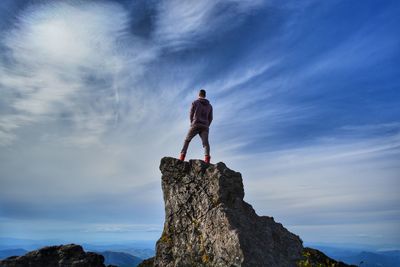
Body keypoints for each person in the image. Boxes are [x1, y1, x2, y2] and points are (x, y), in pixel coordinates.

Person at [179, 89, 213, 163]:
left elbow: (191, 113)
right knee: (205, 143)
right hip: (205, 127)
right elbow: (211, 118)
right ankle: (207, 160)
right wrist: (207, 125)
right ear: (205, 95)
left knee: (187, 140)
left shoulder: (195, 102)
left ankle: (182, 157)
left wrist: (192, 122)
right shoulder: (210, 106)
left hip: (196, 124)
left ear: (199, 94)